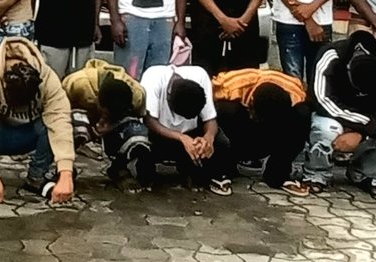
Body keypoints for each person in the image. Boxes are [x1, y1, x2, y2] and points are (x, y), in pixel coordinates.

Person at [0, 37, 76, 205]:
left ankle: (36, 177)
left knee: (58, 121)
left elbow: (60, 122)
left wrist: (66, 174)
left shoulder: (47, 78)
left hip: (29, 134)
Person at [304, 30, 376, 198]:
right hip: (337, 114)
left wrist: (365, 132)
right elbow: (322, 101)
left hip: (375, 116)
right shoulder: (330, 55)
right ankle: (317, 174)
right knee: (325, 130)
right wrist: (372, 127)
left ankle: (366, 172)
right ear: (348, 69)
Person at [210, 69, 311, 196]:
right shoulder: (227, 86)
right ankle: (222, 169)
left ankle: (277, 173)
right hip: (241, 124)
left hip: (271, 128)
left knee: (303, 114)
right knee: (225, 110)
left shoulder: (297, 94)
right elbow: (206, 112)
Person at [60, 58, 151, 189]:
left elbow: (143, 120)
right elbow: (58, 112)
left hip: (117, 123)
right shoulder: (77, 84)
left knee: (137, 133)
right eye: (105, 113)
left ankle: (119, 168)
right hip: (85, 115)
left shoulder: (137, 95)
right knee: (74, 127)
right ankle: (65, 170)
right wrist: (90, 128)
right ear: (97, 100)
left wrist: (111, 125)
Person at [139, 63, 224, 193]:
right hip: (158, 135)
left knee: (222, 143)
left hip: (190, 134)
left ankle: (190, 169)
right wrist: (181, 137)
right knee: (140, 139)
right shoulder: (153, 78)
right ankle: (146, 172)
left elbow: (210, 119)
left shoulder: (200, 75)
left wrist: (208, 138)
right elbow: (149, 121)